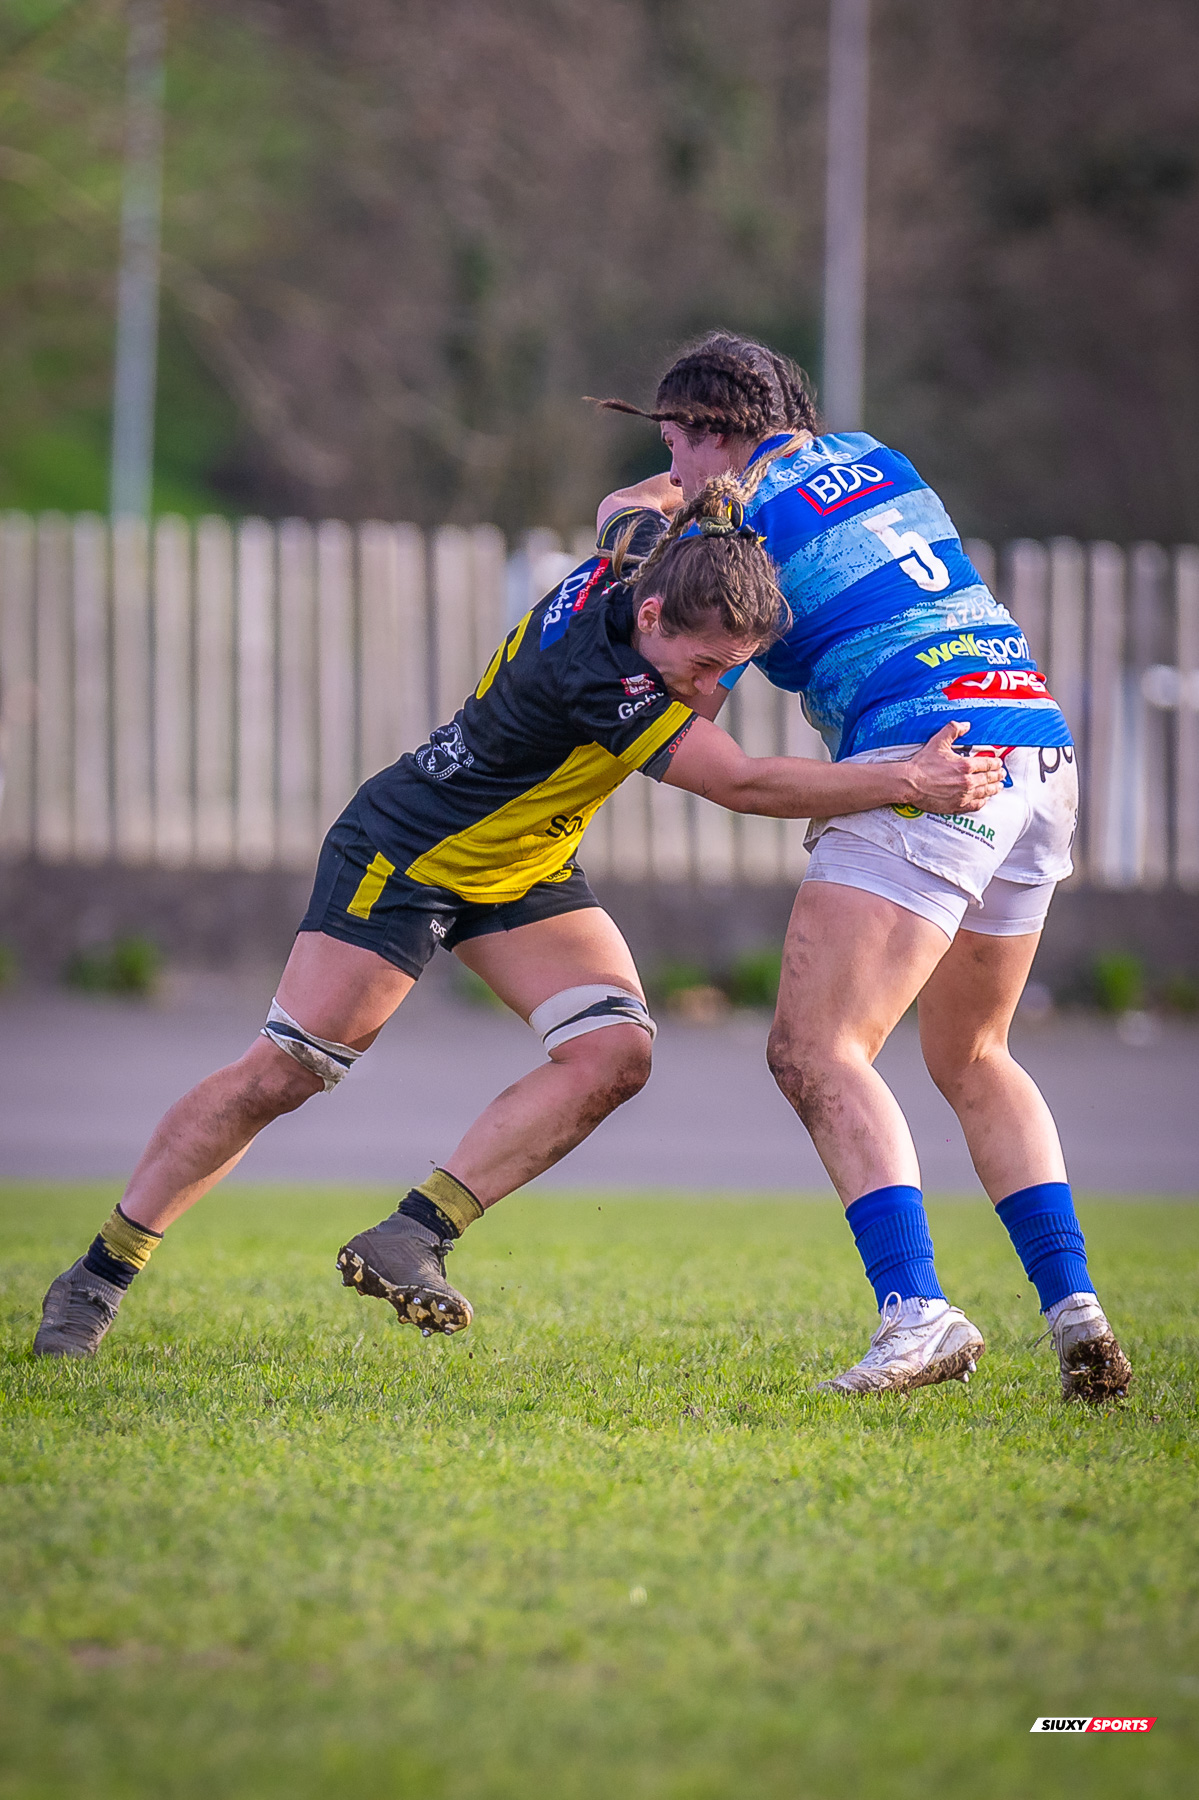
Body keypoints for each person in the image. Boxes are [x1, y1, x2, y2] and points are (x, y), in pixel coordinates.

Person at [34, 492, 1000, 1359]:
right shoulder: (604, 674)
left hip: (521, 866)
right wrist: (906, 780)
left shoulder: (640, 557)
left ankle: (413, 1234)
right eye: (705, 665)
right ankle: (99, 1274)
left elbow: (631, 496)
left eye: (731, 669)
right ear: (651, 619)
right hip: (407, 856)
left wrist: (716, 488)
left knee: (614, 1053)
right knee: (283, 1073)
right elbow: (742, 783)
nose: (710, 686)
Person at [594, 331, 1132, 1403]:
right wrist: (670, 490)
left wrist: (636, 511)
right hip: (1031, 742)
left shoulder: (735, 521)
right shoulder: (875, 457)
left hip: (930, 754)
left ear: (708, 432)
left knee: (815, 1049)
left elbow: (659, 588)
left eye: (676, 444)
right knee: (973, 1053)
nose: (674, 467)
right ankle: (1075, 1310)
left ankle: (914, 1312)